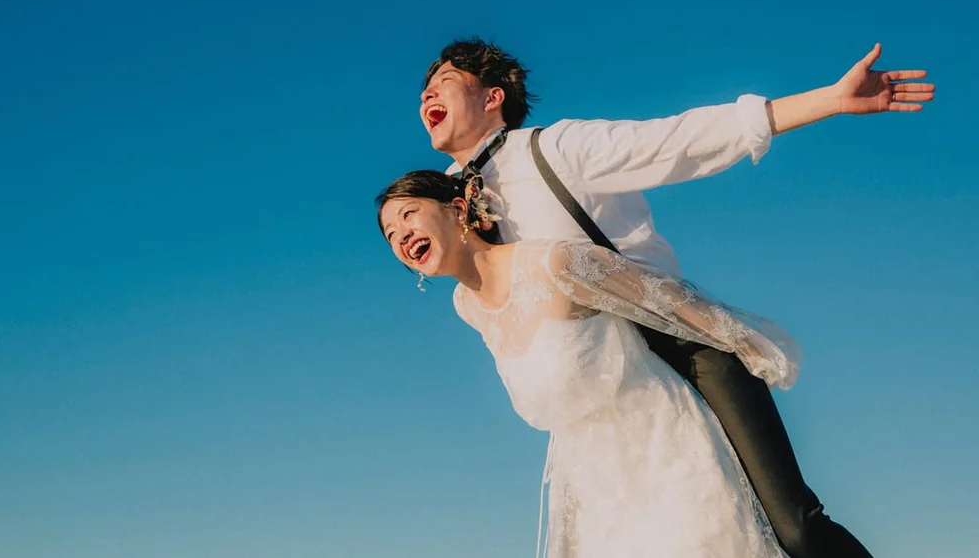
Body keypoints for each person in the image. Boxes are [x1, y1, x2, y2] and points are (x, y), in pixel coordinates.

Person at [416, 37, 935, 557]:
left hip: (679, 342)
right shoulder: (446, 200)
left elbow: (677, 141)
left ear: (492, 97)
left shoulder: (554, 149)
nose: (426, 97)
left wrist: (829, 99)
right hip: (602, 390)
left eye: (443, 83)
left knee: (792, 526)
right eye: (422, 92)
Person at [378, 169, 799, 557]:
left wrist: (750, 346)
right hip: (592, 482)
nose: (400, 236)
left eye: (409, 215)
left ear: (456, 209)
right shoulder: (466, 306)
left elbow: (663, 298)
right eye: (390, 234)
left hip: (662, 450)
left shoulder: (553, 263)